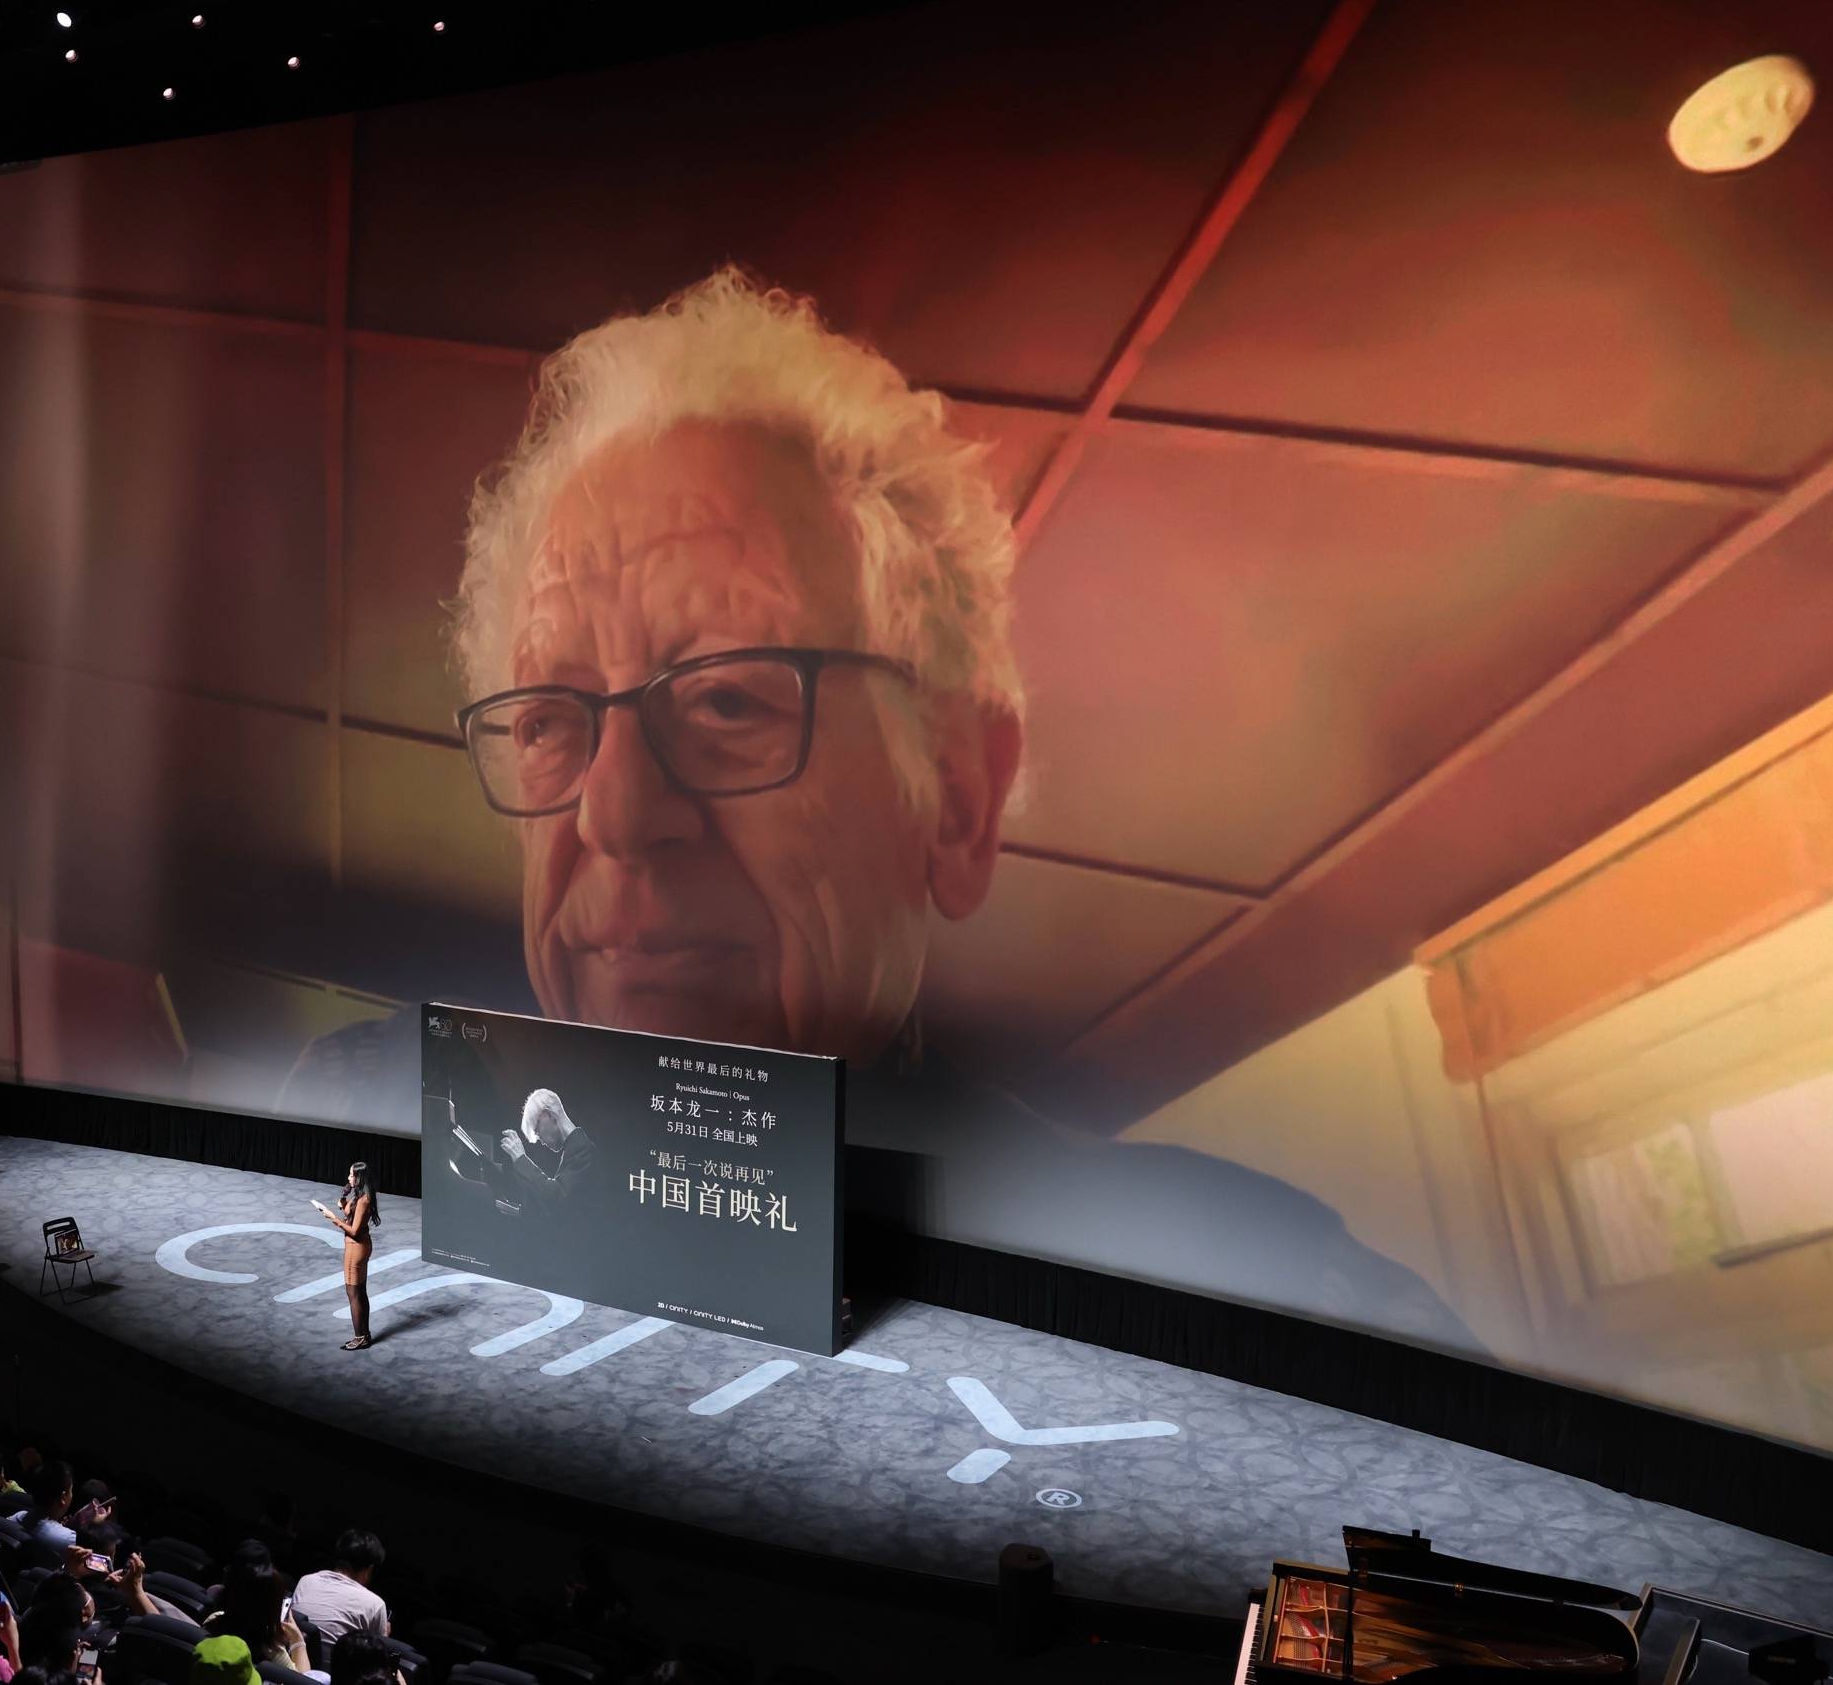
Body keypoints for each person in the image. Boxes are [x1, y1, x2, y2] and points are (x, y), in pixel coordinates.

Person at [277, 265, 1473, 1349]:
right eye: (549, 722)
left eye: (730, 699)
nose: (617, 817)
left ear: (955, 796)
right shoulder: (358, 1104)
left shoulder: (1263, 1292)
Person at [287, 1529, 391, 1655]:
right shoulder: (375, 1604)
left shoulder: (306, 1581)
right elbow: (377, 1656)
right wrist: (385, 1635)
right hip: (334, 1668)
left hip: (289, 1662)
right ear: (369, 1569)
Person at [310, 1162, 378, 1351]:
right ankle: (365, 1334)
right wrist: (343, 1202)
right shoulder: (362, 1195)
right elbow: (352, 1214)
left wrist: (333, 1218)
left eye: (351, 1175)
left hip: (355, 1248)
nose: (348, 1178)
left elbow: (354, 1231)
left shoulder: (364, 1200)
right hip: (361, 1246)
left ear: (360, 1178)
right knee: (360, 1292)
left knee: (353, 1294)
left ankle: (360, 1338)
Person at [500, 1089, 599, 1215]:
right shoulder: (574, 1149)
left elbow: (558, 1199)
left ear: (549, 1115)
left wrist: (521, 1159)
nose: (540, 1140)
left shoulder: (582, 1149)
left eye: (537, 1130)